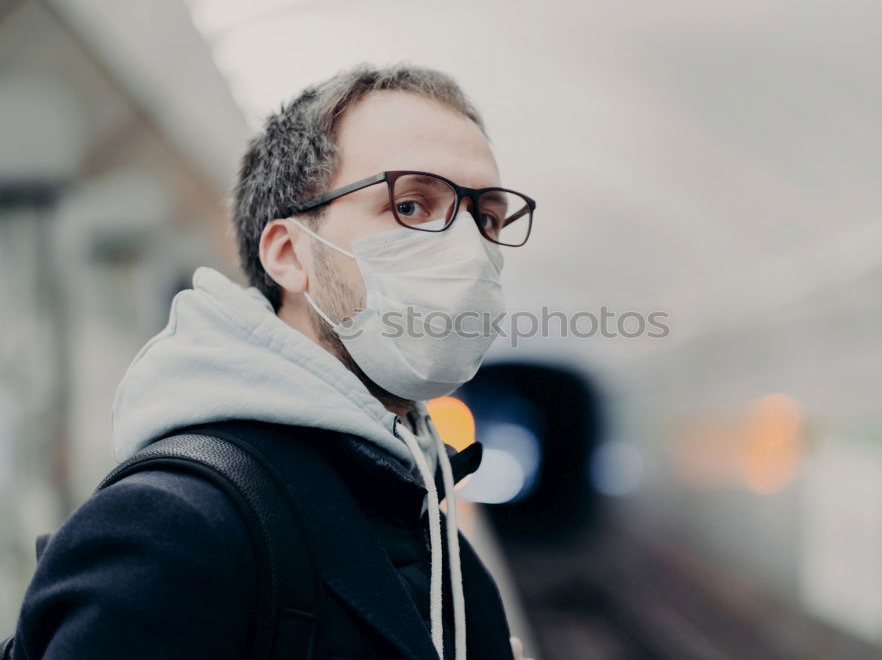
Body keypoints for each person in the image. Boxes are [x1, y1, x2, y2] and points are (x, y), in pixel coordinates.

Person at [9, 63, 536, 660]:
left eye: (486, 218)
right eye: (412, 206)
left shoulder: (429, 536)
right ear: (289, 255)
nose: (468, 249)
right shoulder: (173, 527)